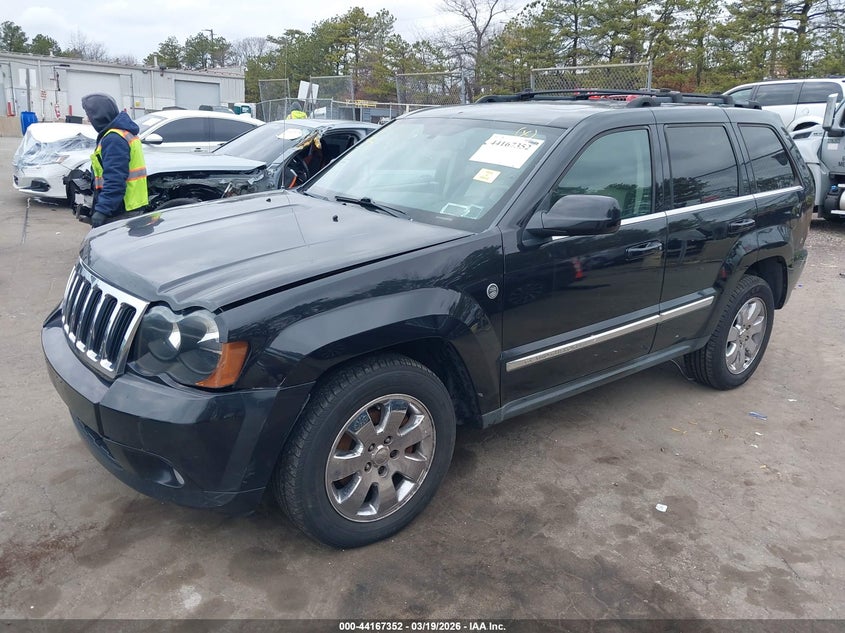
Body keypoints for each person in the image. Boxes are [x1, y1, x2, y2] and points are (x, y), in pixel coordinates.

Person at [81, 93, 148, 228]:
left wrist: (102, 210)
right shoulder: (122, 133)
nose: (88, 119)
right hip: (130, 204)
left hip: (120, 209)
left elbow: (115, 180)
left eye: (89, 115)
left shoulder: (113, 139)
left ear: (98, 115)